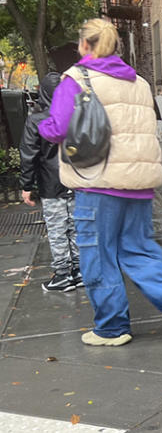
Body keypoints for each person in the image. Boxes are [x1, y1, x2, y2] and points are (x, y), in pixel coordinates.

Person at [38, 18, 162, 346]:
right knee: (137, 249)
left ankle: (111, 328)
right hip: (139, 184)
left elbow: (56, 129)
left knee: (97, 254)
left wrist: (43, 125)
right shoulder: (139, 82)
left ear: (85, 45)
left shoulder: (75, 79)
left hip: (98, 182)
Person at [20, 72, 82, 292]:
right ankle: (79, 270)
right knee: (75, 227)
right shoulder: (75, 115)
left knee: (57, 229)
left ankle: (63, 274)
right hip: (76, 180)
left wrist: (27, 186)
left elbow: (29, 154)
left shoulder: (36, 119)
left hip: (50, 182)